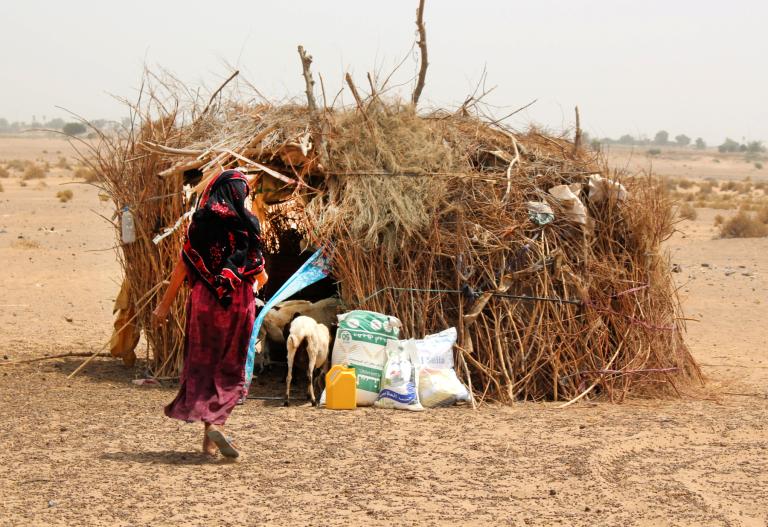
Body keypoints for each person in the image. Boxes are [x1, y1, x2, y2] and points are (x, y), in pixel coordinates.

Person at [152, 169, 267, 459]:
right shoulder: (247, 225)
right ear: (239, 194)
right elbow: (261, 275)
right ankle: (215, 423)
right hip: (237, 305)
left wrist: (164, 305)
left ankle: (208, 443)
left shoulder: (199, 225)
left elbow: (182, 267)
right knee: (228, 368)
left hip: (203, 304)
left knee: (204, 366)